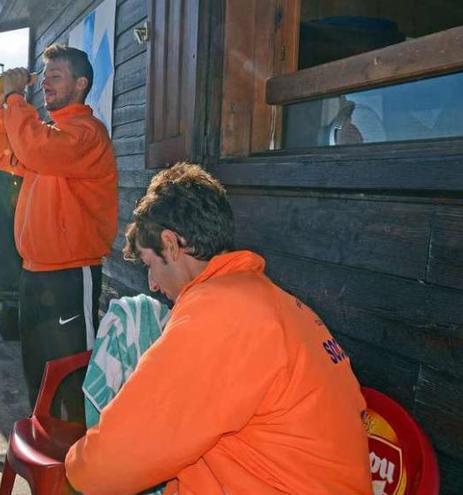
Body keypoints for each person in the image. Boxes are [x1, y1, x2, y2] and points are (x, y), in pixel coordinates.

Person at [64, 164, 372, 494]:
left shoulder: (219, 313)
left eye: (150, 264)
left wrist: (74, 467)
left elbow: (108, 465)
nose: (152, 284)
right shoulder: (269, 299)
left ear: (170, 244)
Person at [0, 44, 118, 419]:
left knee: (72, 373)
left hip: (71, 275)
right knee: (39, 370)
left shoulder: (86, 134)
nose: (47, 86)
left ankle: (76, 462)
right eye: (46, 78)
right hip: (35, 273)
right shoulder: (50, 137)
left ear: (81, 84)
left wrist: (14, 97)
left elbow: (35, 148)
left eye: (56, 77)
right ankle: (44, 442)